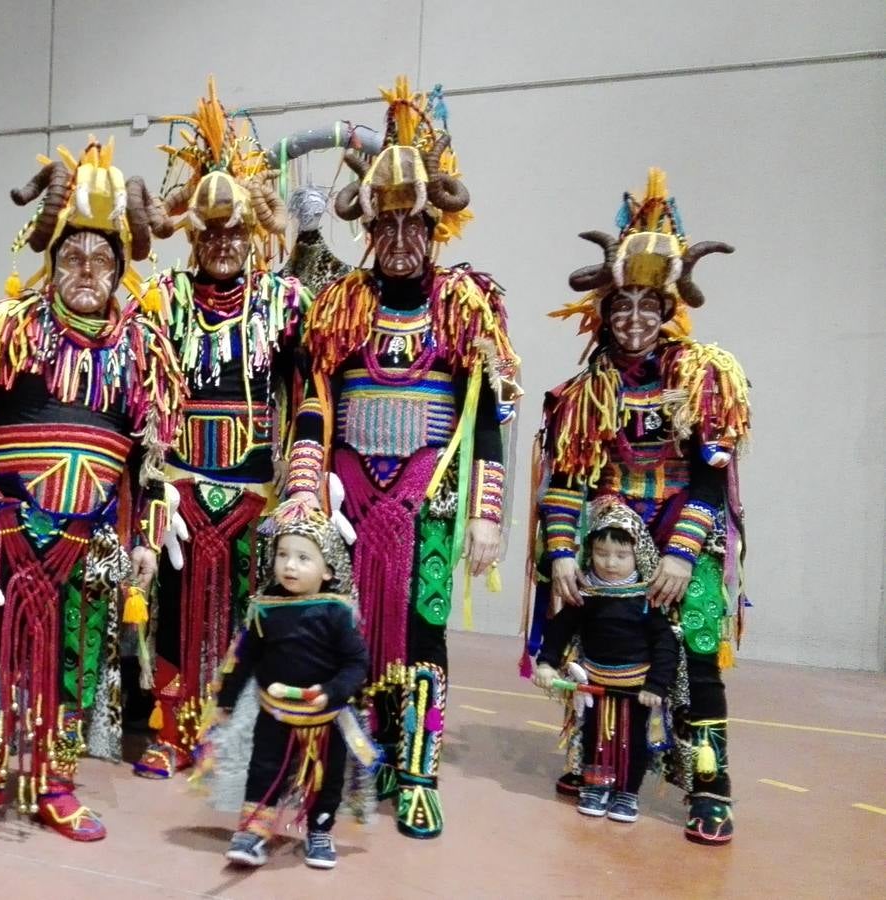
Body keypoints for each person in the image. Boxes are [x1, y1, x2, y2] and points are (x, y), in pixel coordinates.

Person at [281, 78, 519, 839]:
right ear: (368, 226)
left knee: (422, 630)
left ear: (434, 223)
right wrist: (306, 487)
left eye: (412, 221)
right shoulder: (340, 304)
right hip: (349, 497)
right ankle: (366, 755)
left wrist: (486, 514)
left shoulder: (464, 303)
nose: (399, 237)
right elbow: (315, 403)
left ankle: (417, 772)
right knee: (345, 626)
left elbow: (485, 417)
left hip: (430, 495)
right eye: (385, 221)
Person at [0, 139, 185, 846]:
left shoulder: (143, 351)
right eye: (74, 256)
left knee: (76, 662)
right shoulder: (7, 330)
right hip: (6, 535)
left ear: (121, 270)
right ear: (52, 260)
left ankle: (54, 783)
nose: (87, 272)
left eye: (102, 259)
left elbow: (151, 462)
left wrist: (145, 538)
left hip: (90, 542)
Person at [525, 168, 749, 845]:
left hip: (684, 537)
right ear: (604, 309)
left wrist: (680, 556)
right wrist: (562, 555)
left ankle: (709, 786)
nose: (633, 319)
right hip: (609, 544)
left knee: (697, 649)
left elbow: (710, 480)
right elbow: (567, 479)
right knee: (592, 644)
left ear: (669, 308)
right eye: (621, 304)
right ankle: (600, 760)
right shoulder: (582, 392)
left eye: (648, 305)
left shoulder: (703, 376)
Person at [133, 78, 311, 779]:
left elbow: (309, 396)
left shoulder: (283, 302)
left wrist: (301, 482)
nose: (223, 244)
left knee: (246, 617)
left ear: (253, 233)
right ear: (193, 235)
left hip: (255, 495)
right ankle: (171, 728)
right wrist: (152, 488)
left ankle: (234, 734)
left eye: (235, 231)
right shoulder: (165, 298)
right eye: (209, 232)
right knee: (177, 612)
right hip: (179, 492)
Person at [209, 508, 368, 870]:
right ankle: (253, 832)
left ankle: (320, 830)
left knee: (325, 778)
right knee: (263, 770)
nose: (289, 566)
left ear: (328, 570)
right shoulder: (265, 610)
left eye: (303, 558)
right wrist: (227, 698)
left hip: (324, 719)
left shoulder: (337, 613)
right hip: (275, 714)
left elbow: (357, 663)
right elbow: (244, 658)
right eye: (282, 555)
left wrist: (333, 690)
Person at [532, 501, 679, 823]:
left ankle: (627, 793)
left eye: (621, 556)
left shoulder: (648, 599)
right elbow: (559, 630)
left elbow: (665, 645)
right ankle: (596, 787)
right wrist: (545, 664)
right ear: (590, 552)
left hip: (636, 690)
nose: (610, 563)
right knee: (595, 737)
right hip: (594, 684)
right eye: (601, 553)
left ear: (637, 555)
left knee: (633, 741)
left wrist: (656, 686)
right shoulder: (586, 594)